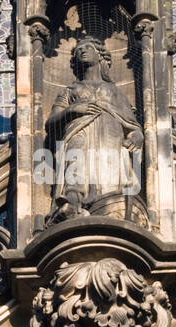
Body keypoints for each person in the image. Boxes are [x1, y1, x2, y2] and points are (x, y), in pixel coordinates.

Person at [46, 35, 143, 219]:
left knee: (110, 173)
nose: (82, 50)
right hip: (78, 135)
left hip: (110, 139)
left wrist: (137, 136)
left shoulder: (115, 91)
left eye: (88, 47)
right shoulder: (69, 91)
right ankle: (73, 206)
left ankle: (110, 207)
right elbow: (51, 123)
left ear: (100, 55)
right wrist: (72, 110)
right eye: (78, 50)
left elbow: (131, 124)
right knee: (76, 170)